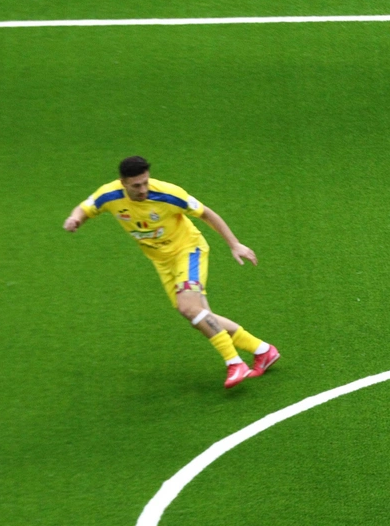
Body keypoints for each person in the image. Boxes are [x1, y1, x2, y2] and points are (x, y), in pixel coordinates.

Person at [62, 156, 279, 388]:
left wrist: (234, 244)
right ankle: (262, 350)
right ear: (123, 182)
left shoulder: (168, 193)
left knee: (189, 308)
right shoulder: (109, 195)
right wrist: (76, 219)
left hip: (189, 251)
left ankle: (234, 363)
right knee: (201, 317)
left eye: (145, 182)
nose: (143, 189)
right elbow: (85, 208)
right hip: (163, 262)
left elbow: (207, 213)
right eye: (136, 185)